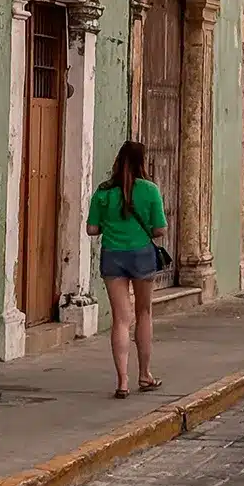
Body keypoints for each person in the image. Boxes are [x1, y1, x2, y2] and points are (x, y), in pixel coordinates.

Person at [87, 141, 168, 399]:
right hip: (142, 256)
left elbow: (91, 229)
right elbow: (159, 230)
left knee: (121, 319)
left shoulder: (103, 192)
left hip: (113, 256)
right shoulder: (150, 190)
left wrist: (111, 224)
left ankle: (122, 381)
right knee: (144, 313)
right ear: (142, 162)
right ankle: (145, 374)